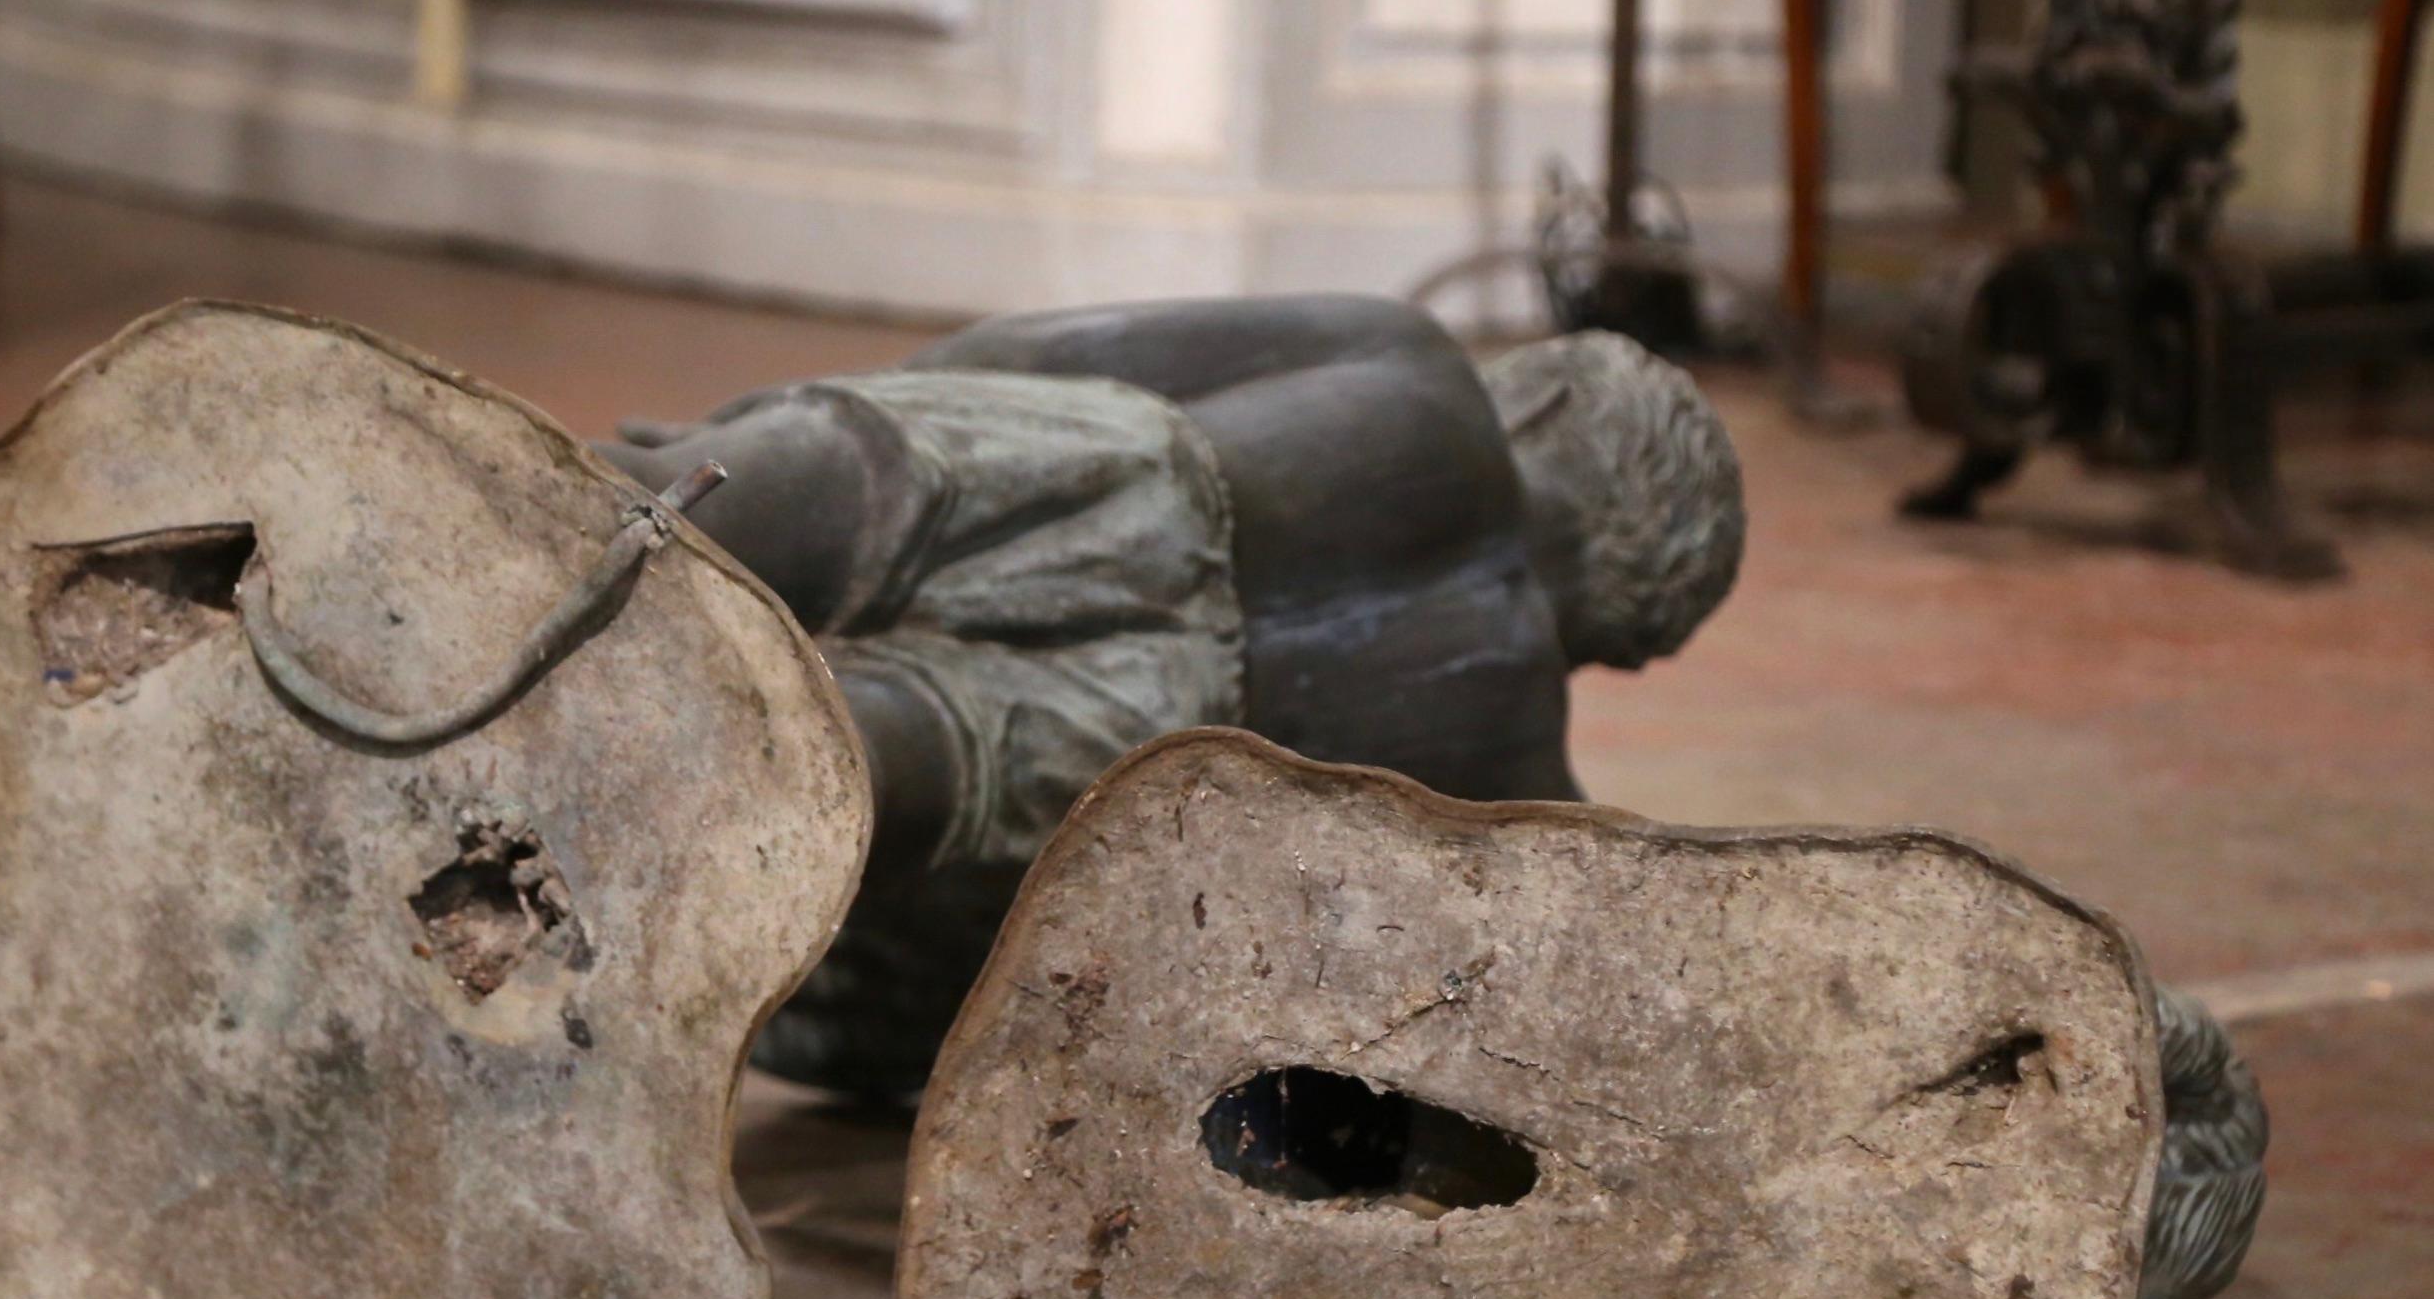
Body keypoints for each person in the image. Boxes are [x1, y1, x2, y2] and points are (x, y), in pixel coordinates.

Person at [600, 295, 1746, 1098]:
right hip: (1165, 720)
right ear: (1621, 633)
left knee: (810, 490)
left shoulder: (1424, 384)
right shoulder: (1513, 767)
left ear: (1539, 404)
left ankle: (571, 518)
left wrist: (798, 410)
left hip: (1113, 475)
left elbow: (1048, 346)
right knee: (902, 755)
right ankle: (635, 819)